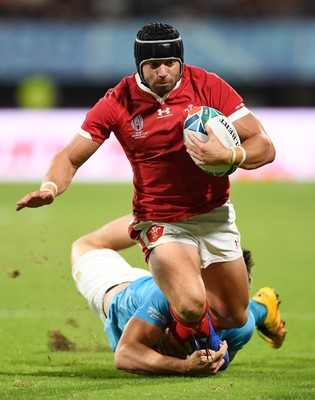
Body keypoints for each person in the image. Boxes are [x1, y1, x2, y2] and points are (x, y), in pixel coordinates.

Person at [16, 22, 276, 355]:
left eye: (170, 63)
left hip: (214, 215)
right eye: (154, 65)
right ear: (140, 65)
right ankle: (179, 345)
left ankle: (203, 330)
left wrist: (228, 155)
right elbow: (70, 156)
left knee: (233, 314)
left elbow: (265, 147)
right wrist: (50, 187)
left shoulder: (208, 85)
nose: (163, 72)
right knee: (191, 304)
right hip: (160, 221)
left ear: (181, 61)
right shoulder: (118, 101)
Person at [70, 215, 287, 375]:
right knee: (85, 246)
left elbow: (214, 361)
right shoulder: (173, 297)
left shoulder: (241, 327)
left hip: (154, 290)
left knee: (240, 317)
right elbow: (126, 354)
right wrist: (183, 366)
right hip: (116, 287)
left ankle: (263, 307)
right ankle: (152, 217)